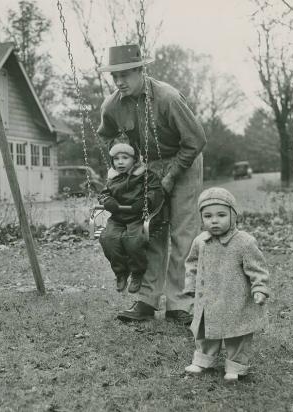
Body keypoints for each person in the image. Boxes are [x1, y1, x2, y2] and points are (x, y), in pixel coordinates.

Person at [97, 44, 206, 323]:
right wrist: (123, 160)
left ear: (141, 71)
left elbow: (195, 140)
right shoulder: (112, 105)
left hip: (185, 159)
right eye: (115, 77)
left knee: (183, 232)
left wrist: (171, 176)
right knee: (149, 230)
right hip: (149, 167)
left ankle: (179, 304)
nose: (120, 82)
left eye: (126, 75)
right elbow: (106, 135)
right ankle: (146, 300)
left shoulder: (168, 98)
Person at [184, 187, 269, 382]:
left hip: (235, 299)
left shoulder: (244, 242)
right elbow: (192, 265)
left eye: (221, 215)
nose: (214, 220)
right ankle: (203, 359)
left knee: (236, 333)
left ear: (233, 215)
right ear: (202, 218)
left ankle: (235, 366)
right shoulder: (200, 241)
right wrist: (191, 287)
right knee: (205, 331)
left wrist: (259, 288)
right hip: (208, 299)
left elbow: (258, 268)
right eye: (208, 216)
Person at [99, 140, 164, 294]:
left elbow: (156, 192)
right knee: (108, 239)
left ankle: (137, 273)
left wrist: (144, 201)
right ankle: (121, 273)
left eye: (125, 157)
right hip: (117, 217)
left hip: (138, 216)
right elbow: (103, 195)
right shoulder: (112, 178)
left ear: (135, 159)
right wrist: (108, 201)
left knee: (133, 241)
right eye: (116, 158)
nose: (120, 162)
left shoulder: (145, 176)